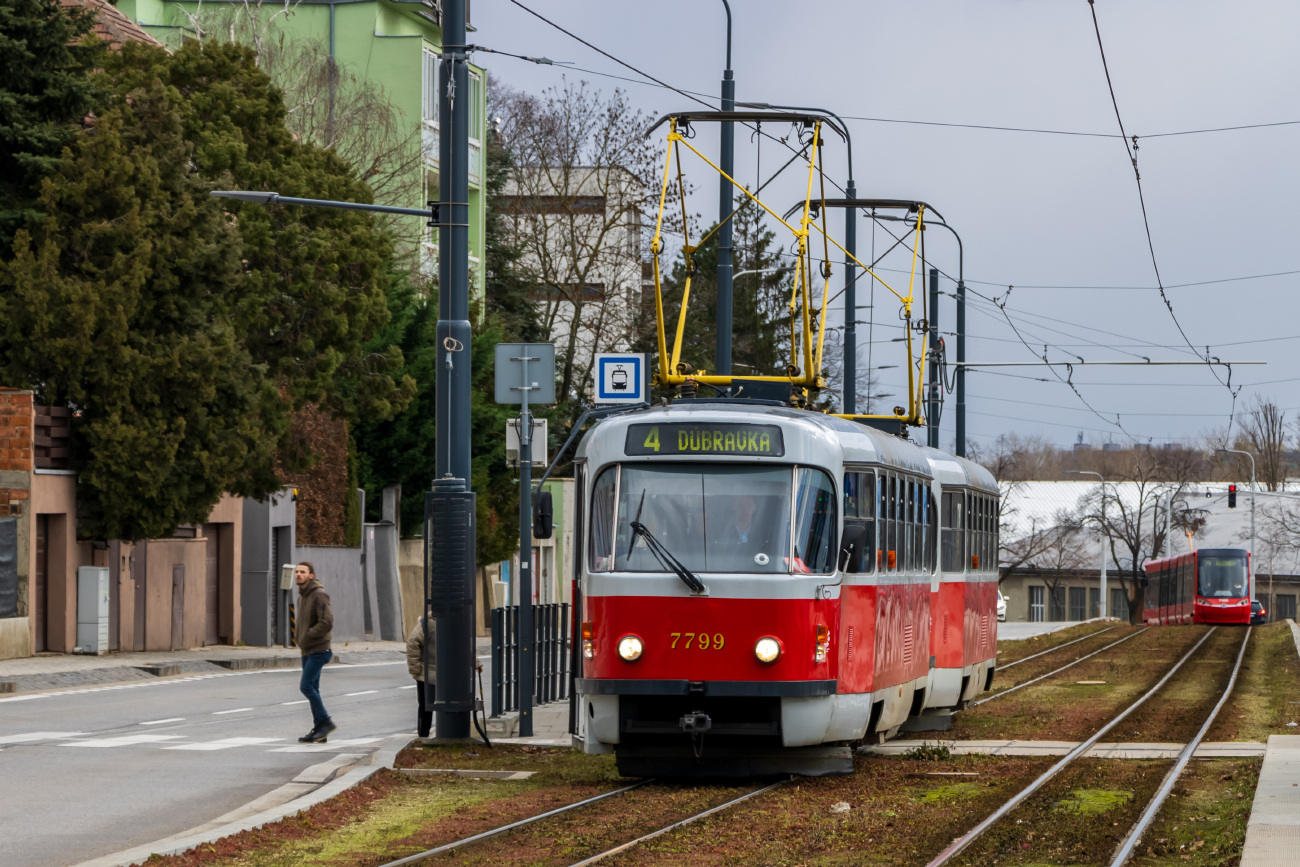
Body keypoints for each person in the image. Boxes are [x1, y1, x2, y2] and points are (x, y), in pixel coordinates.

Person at [295, 562, 336, 743]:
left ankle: (325, 722)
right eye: (297, 572)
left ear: (311, 575)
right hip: (307, 650)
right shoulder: (302, 596)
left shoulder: (319, 595)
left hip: (319, 649)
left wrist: (310, 635)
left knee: (306, 686)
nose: (298, 575)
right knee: (314, 688)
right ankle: (320, 729)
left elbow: (327, 621)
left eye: (302, 572)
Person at [405, 616, 435, 738]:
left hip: (426, 674)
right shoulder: (429, 623)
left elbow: (412, 642)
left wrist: (416, 670)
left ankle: (423, 735)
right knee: (427, 706)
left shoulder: (425, 624)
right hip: (442, 674)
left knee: (425, 706)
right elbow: (465, 644)